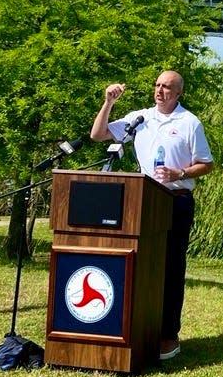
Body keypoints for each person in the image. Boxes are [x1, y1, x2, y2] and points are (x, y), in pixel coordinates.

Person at [90, 70, 214, 361]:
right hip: (144, 200)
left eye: (167, 87)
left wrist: (179, 172)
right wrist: (108, 102)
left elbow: (206, 164)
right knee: (140, 266)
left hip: (176, 200)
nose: (160, 91)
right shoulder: (140, 118)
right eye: (157, 85)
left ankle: (168, 335)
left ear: (178, 92)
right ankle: (139, 327)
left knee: (170, 269)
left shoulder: (189, 123)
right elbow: (98, 135)